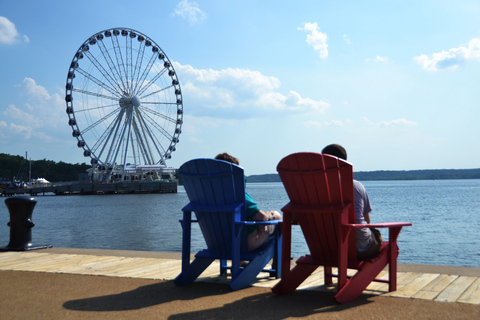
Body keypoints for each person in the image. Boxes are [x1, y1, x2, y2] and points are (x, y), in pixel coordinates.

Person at [321, 144, 383, 260]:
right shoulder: (356, 186)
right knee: (376, 234)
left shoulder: (314, 188)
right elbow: (367, 220)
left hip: (325, 248)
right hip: (359, 248)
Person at [215, 153, 282, 252]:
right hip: (242, 244)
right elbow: (262, 218)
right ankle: (278, 264)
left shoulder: (209, 195)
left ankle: (241, 263)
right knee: (278, 218)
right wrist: (268, 215)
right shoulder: (238, 195)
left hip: (218, 243)